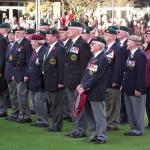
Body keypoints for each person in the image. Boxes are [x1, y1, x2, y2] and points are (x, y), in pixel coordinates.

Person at [77, 37, 109, 144]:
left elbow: (97, 76)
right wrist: (81, 84)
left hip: (96, 90)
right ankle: (94, 133)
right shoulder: (94, 57)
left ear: (99, 46)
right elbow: (87, 73)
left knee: (99, 115)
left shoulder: (103, 58)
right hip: (88, 90)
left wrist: (84, 87)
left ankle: (101, 136)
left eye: (93, 44)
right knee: (89, 114)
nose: (90, 45)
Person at [64, 21, 92, 138]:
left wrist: (82, 83)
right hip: (70, 80)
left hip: (78, 82)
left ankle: (81, 130)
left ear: (76, 31)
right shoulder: (71, 43)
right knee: (73, 107)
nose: (68, 31)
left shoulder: (83, 44)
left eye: (70, 29)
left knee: (79, 106)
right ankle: (76, 128)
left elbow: (85, 66)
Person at [122, 35, 146, 136]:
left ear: (134, 43)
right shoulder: (131, 54)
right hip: (128, 87)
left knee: (137, 110)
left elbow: (141, 74)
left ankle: (138, 129)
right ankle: (133, 128)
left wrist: (138, 88)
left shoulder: (140, 55)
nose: (126, 43)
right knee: (130, 110)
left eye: (128, 41)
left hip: (136, 88)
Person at [42, 28, 65, 131]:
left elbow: (61, 67)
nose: (46, 37)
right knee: (52, 104)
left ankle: (57, 126)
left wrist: (60, 81)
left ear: (55, 36)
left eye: (49, 35)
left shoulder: (59, 48)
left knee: (56, 105)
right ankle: (54, 124)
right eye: (46, 35)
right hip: (49, 80)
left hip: (55, 81)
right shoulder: (49, 47)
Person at [104, 28, 125, 131]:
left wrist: (116, 81)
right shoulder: (106, 48)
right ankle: (108, 122)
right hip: (105, 81)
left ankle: (113, 124)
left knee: (114, 103)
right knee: (108, 103)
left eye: (106, 34)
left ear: (113, 36)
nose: (104, 36)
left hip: (113, 81)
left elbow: (119, 66)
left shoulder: (118, 48)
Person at [28, 34, 49, 128]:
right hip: (34, 80)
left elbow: (43, 68)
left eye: (33, 42)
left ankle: (43, 121)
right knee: (36, 102)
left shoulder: (43, 51)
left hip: (40, 81)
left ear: (38, 43)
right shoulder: (35, 51)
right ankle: (40, 119)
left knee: (40, 102)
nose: (31, 43)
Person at [13, 27, 33, 123]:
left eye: (19, 32)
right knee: (19, 94)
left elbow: (29, 60)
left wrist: (26, 74)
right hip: (17, 72)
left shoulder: (27, 44)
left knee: (22, 94)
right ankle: (21, 114)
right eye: (16, 32)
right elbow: (15, 60)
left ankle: (25, 116)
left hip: (23, 72)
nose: (17, 34)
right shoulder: (17, 43)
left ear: (24, 34)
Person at [4, 29, 19, 121]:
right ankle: (14, 112)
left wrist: (13, 74)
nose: (10, 36)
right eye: (9, 35)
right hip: (8, 73)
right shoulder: (9, 46)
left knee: (14, 94)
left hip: (14, 74)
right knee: (11, 94)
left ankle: (16, 113)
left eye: (12, 35)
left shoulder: (17, 46)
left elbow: (17, 62)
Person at [143, 29, 150, 129]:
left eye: (148, 35)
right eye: (146, 34)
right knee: (147, 104)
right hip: (146, 81)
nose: (146, 36)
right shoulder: (145, 49)